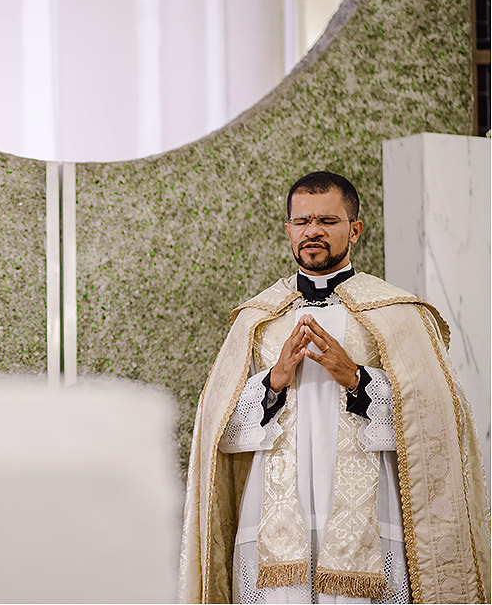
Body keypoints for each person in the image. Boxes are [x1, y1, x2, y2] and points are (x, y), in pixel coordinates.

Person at [178, 172, 489, 603]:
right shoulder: (258, 319)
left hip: (367, 517)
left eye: (327, 220)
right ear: (288, 229)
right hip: (273, 521)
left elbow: (439, 416)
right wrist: (273, 382)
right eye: (302, 222)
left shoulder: (398, 314)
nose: (312, 232)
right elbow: (218, 430)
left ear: (354, 229)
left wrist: (357, 380)